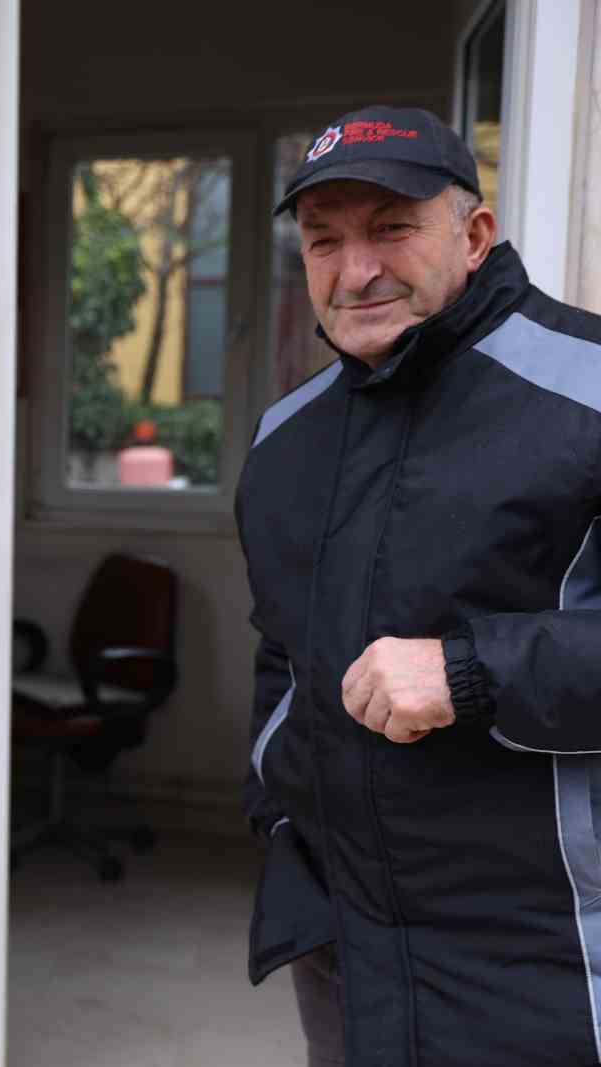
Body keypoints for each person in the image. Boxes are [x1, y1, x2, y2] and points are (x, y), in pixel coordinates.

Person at [239, 104, 601, 1066]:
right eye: (325, 242)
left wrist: (476, 668)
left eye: (392, 230)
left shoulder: (590, 389)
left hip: (552, 950)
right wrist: (279, 820)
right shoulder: (286, 440)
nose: (356, 272)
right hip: (345, 940)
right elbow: (281, 655)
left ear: (474, 235)